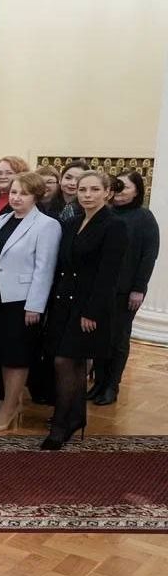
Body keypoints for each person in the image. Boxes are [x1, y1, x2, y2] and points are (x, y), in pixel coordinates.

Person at [42, 171, 127, 450]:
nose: (87, 195)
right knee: (70, 362)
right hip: (63, 303)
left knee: (65, 361)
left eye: (93, 189)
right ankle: (75, 417)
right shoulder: (73, 222)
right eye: (82, 190)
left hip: (89, 306)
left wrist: (92, 312)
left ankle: (61, 423)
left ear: (107, 193)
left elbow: (108, 275)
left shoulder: (114, 225)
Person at [0, 172, 60, 431]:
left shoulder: (46, 225)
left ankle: (9, 409)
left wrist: (35, 305)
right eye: (13, 192)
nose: (16, 197)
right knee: (1, 354)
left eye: (23, 193)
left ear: (36, 196)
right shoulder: (2, 219)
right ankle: (11, 402)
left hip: (20, 302)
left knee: (17, 357)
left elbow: (45, 268)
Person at [92, 171, 159, 405]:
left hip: (126, 290)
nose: (119, 191)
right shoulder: (105, 214)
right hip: (102, 288)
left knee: (118, 339)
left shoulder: (144, 218)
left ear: (137, 190)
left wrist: (138, 288)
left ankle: (112, 385)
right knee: (99, 336)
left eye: (125, 187)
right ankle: (98, 382)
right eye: (116, 186)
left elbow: (148, 256)